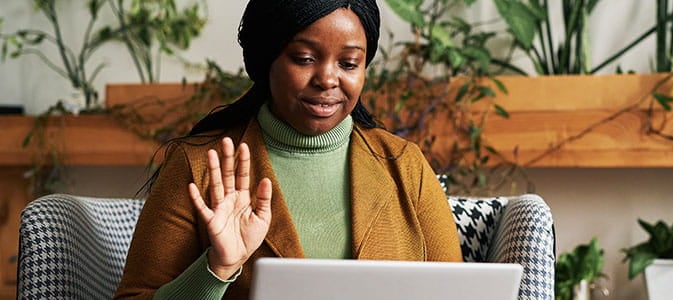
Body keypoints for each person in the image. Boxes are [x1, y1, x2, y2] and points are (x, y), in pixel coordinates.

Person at [113, 0, 462, 299]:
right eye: (305, 58)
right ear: (267, 62)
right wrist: (216, 269)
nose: (327, 79)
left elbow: (460, 293)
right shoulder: (199, 165)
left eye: (349, 63)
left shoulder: (405, 165)